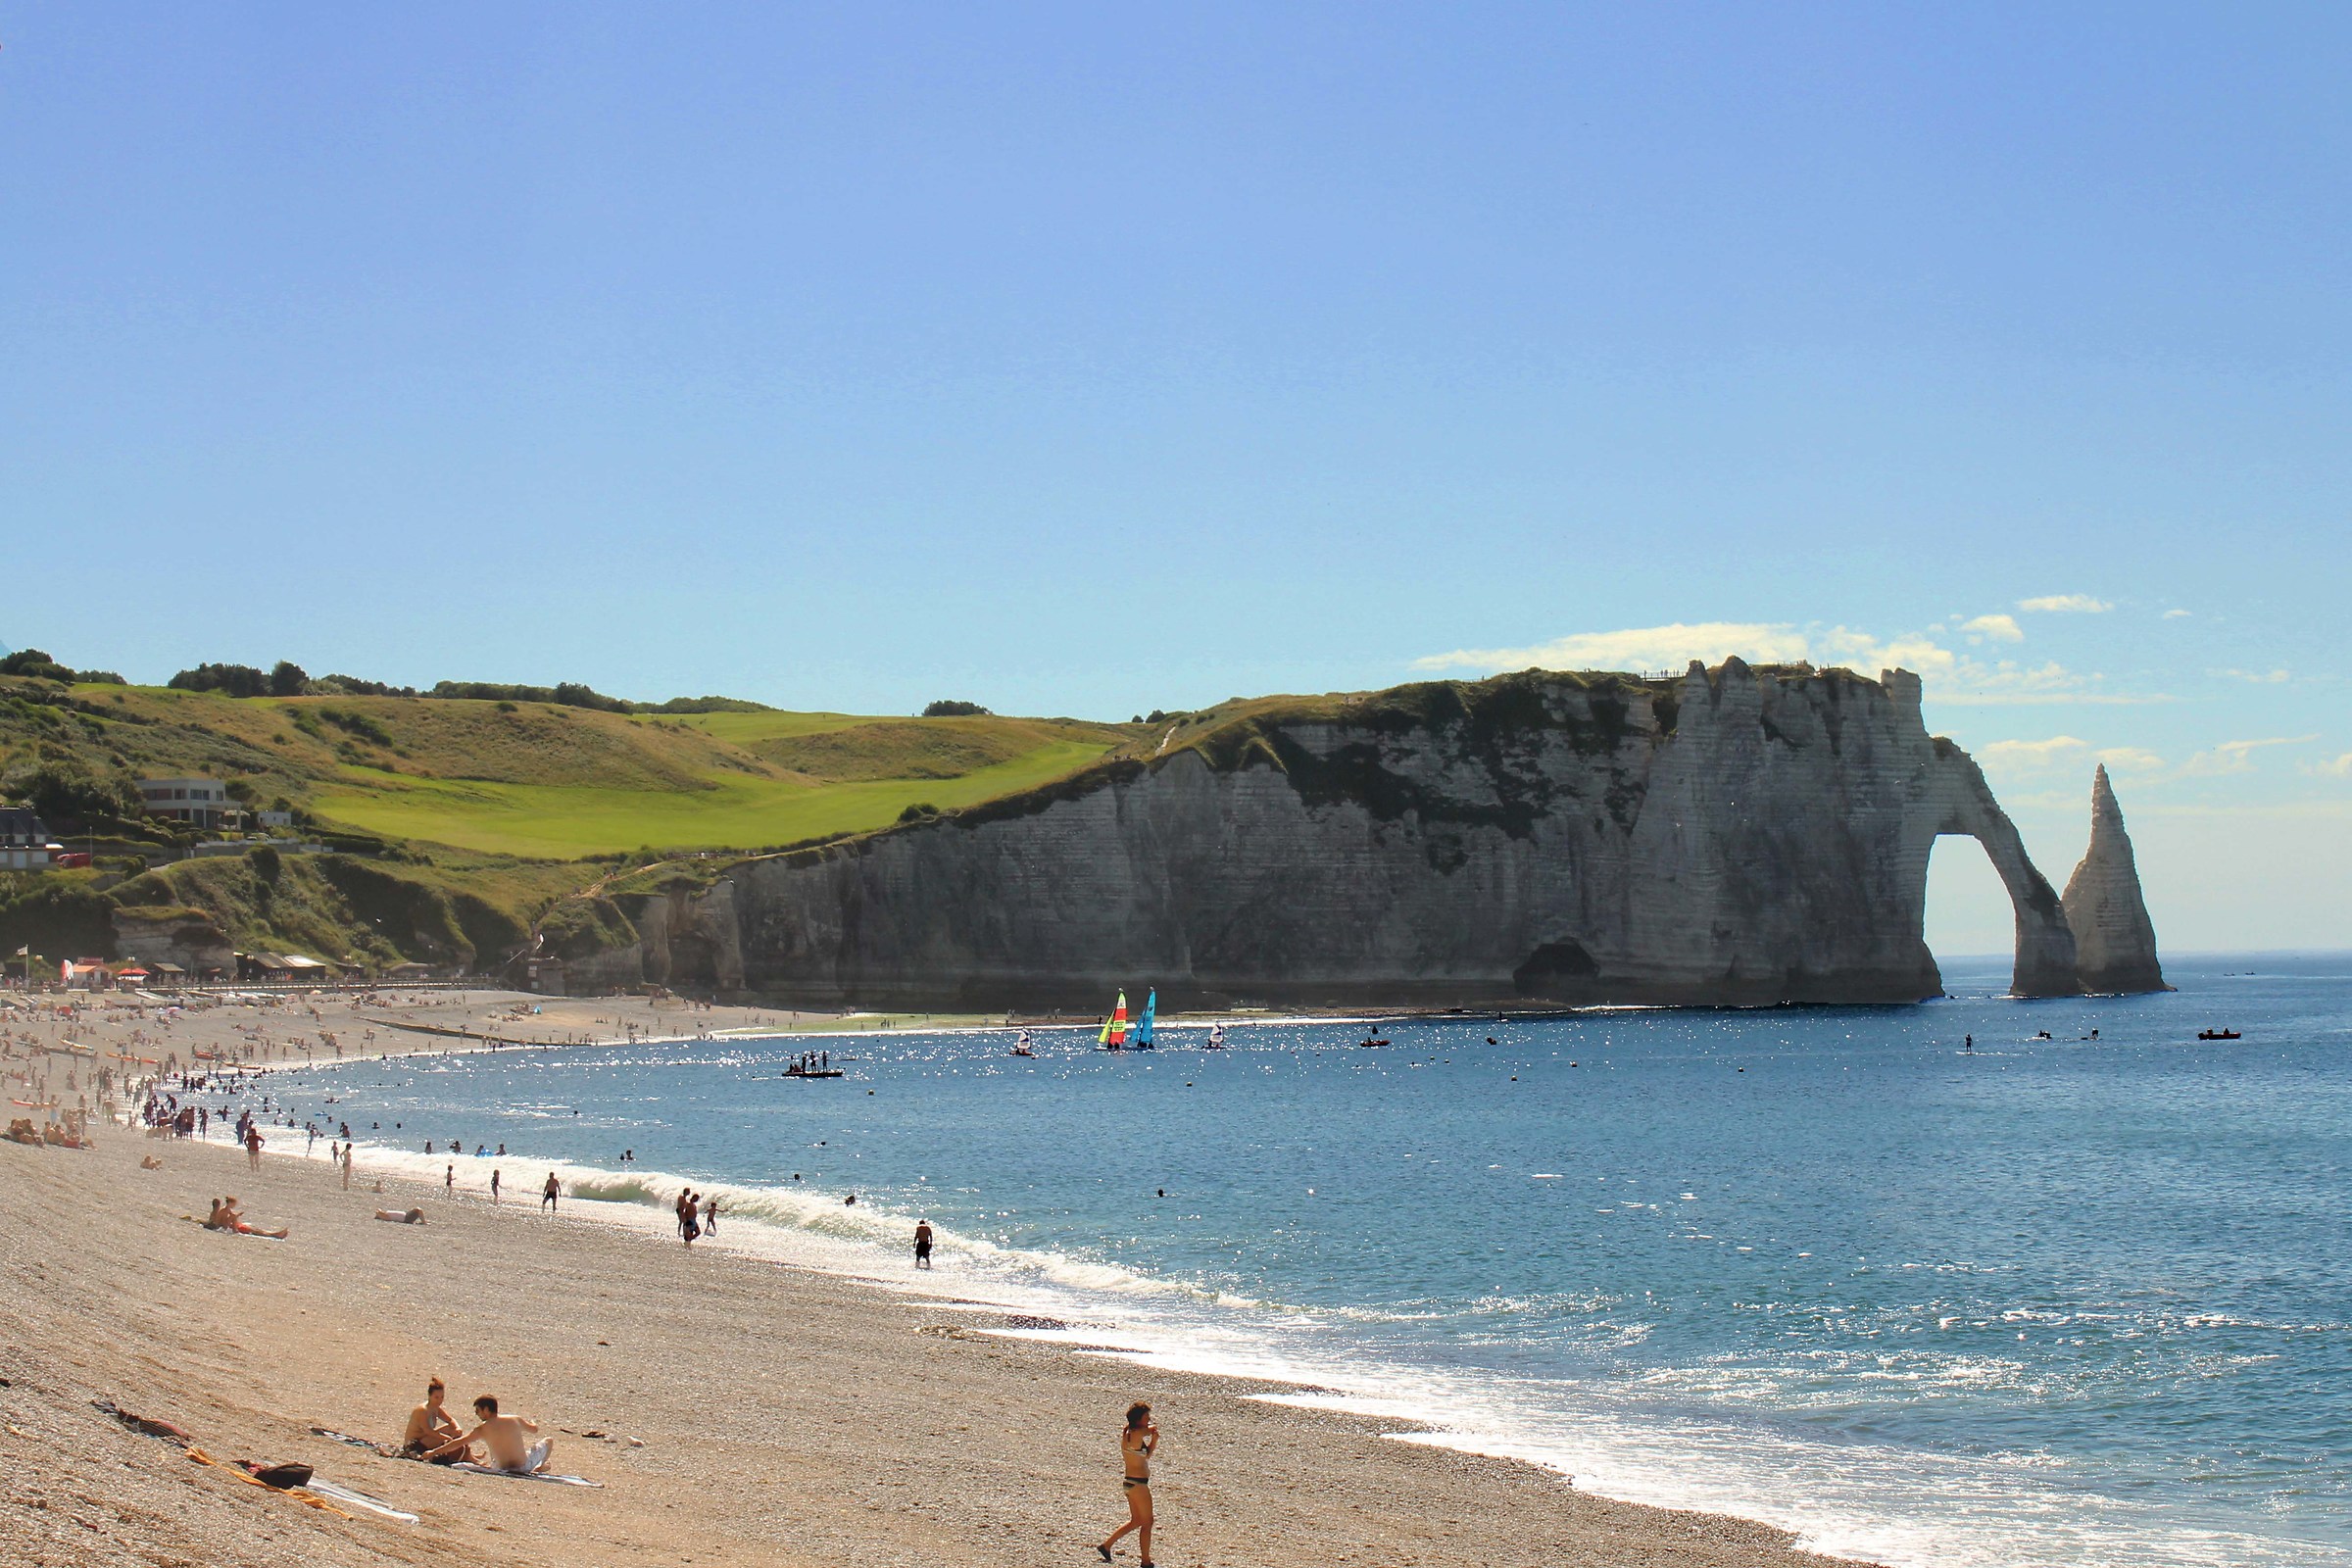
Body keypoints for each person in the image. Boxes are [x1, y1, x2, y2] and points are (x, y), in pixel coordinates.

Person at [1096, 1401, 1158, 1565]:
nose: (1149, 1419)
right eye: (1146, 1416)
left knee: (1136, 1520)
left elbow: (1145, 1456)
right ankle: (1145, 1560)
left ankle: (1106, 1545)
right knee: (1147, 1522)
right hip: (1138, 1484)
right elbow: (1147, 1430)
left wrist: (1154, 1441)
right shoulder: (1137, 1433)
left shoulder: (1129, 1433)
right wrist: (1153, 1429)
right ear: (1139, 1419)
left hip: (1131, 1482)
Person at [422, 1394, 551, 1474]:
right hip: (524, 1466)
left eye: (478, 1410)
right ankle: (540, 1466)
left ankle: (540, 1467)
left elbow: (458, 1443)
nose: (477, 1414)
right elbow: (534, 1430)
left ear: (487, 1410)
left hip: (500, 1467)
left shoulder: (482, 1429)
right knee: (548, 1441)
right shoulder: (514, 1419)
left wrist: (433, 1452)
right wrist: (533, 1422)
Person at [401, 1377, 470, 1463]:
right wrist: (446, 1437)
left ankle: (467, 1454)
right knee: (448, 1437)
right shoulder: (423, 1410)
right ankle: (465, 1455)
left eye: (442, 1397)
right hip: (414, 1445)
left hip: (425, 1440)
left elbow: (450, 1420)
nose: (439, 1400)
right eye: (436, 1397)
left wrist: (457, 1428)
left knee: (451, 1428)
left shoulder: (436, 1408)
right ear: (430, 1396)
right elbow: (428, 1431)